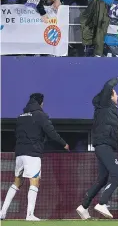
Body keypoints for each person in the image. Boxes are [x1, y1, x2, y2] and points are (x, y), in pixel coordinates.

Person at [0, 93, 69, 221]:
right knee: (34, 181)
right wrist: (64, 143)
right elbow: (51, 132)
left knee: (17, 182)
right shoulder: (41, 115)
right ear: (40, 103)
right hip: (32, 153)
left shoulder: (20, 117)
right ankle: (29, 215)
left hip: (20, 153)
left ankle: (2, 212)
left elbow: (17, 133)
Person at [76, 77, 118, 220]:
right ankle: (102, 203)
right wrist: (117, 79)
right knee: (117, 175)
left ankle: (83, 206)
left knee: (103, 179)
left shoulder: (109, 109)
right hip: (104, 145)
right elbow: (107, 86)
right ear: (110, 96)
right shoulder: (105, 104)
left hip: (106, 145)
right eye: (116, 94)